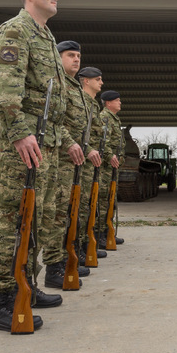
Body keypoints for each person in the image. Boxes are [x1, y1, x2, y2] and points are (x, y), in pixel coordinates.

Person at [0, 0, 69, 332]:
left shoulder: (45, 36)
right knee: (15, 219)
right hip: (25, 141)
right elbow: (6, 88)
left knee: (37, 218)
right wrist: (19, 132)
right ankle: (1, 300)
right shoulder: (16, 31)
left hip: (46, 140)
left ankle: (25, 285)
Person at [39, 44, 103, 280]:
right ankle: (54, 265)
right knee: (57, 214)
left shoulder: (75, 89)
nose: (76, 59)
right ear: (58, 57)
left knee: (71, 211)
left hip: (75, 161)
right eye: (71, 55)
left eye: (78, 56)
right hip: (60, 159)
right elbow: (56, 120)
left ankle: (67, 257)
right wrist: (71, 143)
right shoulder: (56, 83)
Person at [75, 66, 108, 259]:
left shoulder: (93, 105)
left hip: (92, 162)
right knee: (79, 208)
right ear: (86, 81)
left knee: (89, 206)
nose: (101, 82)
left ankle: (85, 246)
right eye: (98, 79)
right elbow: (76, 130)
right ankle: (77, 249)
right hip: (81, 161)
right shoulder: (81, 101)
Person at [97, 90, 125, 248]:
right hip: (106, 167)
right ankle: (100, 235)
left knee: (111, 200)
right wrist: (109, 156)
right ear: (108, 103)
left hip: (113, 167)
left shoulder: (114, 119)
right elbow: (102, 141)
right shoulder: (105, 117)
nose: (120, 103)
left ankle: (108, 232)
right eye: (117, 100)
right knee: (103, 201)